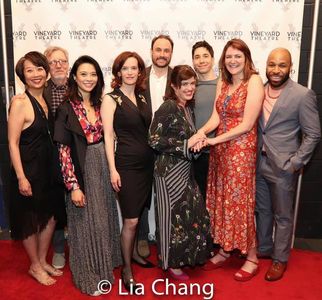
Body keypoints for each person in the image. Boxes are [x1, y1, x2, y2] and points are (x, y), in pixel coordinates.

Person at [54, 55, 122, 296]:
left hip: (102, 166)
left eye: (93, 74)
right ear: (74, 76)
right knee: (84, 224)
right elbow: (63, 151)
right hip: (81, 171)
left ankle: (104, 268)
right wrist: (73, 186)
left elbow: (110, 136)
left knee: (103, 221)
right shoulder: (65, 108)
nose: (89, 78)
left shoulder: (100, 103)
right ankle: (87, 274)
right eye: (84, 74)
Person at [198, 39, 264, 281]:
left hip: (240, 152)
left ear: (246, 58)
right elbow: (216, 117)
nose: (233, 61)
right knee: (222, 201)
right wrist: (202, 132)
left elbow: (247, 125)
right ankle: (225, 249)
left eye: (238, 56)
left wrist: (214, 141)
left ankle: (252, 257)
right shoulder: (223, 82)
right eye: (229, 57)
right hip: (221, 152)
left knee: (240, 204)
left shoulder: (254, 81)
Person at [255, 48, 321, 281]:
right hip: (258, 163)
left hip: (283, 166)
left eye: (281, 65)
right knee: (262, 210)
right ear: (266, 66)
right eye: (272, 64)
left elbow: (313, 134)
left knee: (282, 215)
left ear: (290, 67)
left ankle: (279, 259)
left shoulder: (302, 95)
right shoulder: (258, 90)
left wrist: (295, 163)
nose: (276, 70)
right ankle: (264, 248)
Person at [149, 65, 213, 280]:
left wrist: (197, 144)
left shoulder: (187, 108)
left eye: (192, 84)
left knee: (189, 217)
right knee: (170, 220)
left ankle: (185, 257)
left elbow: (189, 141)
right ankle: (169, 263)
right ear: (174, 86)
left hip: (185, 171)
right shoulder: (168, 106)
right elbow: (154, 140)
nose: (189, 88)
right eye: (184, 84)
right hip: (168, 174)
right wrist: (187, 144)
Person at [8, 51, 64, 285]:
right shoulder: (20, 102)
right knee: (30, 220)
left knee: (50, 217)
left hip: (49, 169)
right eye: (29, 70)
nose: (36, 74)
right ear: (22, 75)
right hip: (29, 170)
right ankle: (33, 265)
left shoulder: (46, 97)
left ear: (46, 71)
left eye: (39, 68)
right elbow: (12, 142)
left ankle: (41, 260)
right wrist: (21, 177)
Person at [101, 51, 155, 292]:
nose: (131, 72)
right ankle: (126, 269)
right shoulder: (111, 98)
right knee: (131, 219)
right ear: (118, 72)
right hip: (126, 165)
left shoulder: (143, 97)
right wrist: (113, 170)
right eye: (126, 68)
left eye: (135, 68)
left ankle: (134, 254)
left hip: (146, 165)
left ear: (140, 71)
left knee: (139, 212)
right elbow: (108, 136)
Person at [138, 34, 174, 258]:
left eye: (166, 50)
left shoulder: (178, 77)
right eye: (158, 50)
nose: (162, 54)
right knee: (142, 194)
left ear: (171, 53)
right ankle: (142, 236)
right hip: (142, 146)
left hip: (170, 149)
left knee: (166, 195)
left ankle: (164, 236)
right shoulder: (139, 77)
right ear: (151, 51)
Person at [43, 46, 69, 270]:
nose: (59, 65)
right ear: (47, 67)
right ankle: (59, 249)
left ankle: (80, 247)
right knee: (57, 204)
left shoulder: (81, 85)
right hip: (52, 157)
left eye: (63, 61)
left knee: (80, 202)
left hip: (79, 154)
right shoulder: (41, 91)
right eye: (53, 62)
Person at [191, 40, 217, 200]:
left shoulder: (224, 85)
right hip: (195, 154)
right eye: (197, 57)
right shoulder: (189, 87)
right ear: (193, 61)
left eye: (205, 56)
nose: (201, 60)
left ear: (213, 59)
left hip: (217, 152)